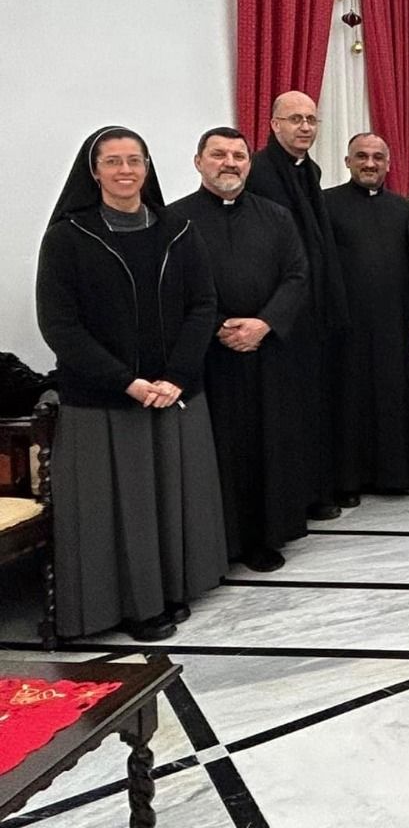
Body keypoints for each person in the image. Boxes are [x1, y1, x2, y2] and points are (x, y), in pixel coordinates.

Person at [36, 127, 227, 641]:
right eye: (113, 161)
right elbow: (60, 326)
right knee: (118, 510)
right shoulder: (68, 237)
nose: (125, 171)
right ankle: (127, 607)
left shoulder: (179, 231)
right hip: (103, 402)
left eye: (134, 161)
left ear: (148, 168)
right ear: (93, 171)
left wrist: (176, 377)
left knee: (168, 502)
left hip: (173, 394)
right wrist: (128, 382)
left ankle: (171, 590)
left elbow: (202, 305)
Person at [169, 128, 309, 572]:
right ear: (198, 162)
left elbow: (297, 275)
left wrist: (263, 323)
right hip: (205, 357)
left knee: (266, 445)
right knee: (215, 450)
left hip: (267, 354)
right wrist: (218, 327)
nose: (229, 163)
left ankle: (264, 538)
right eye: (219, 155)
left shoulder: (277, 216)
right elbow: (169, 290)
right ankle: (217, 543)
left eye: (238, 155)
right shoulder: (174, 221)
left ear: (249, 163)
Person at [244, 91, 347, 521]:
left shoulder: (309, 170)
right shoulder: (260, 172)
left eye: (311, 120)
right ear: (273, 125)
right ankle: (291, 503)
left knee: (315, 409)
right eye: (295, 119)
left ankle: (316, 491)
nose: (305, 127)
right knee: (286, 417)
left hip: (312, 314)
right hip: (281, 315)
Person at [325, 133, 409, 497]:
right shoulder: (327, 203)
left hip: (393, 322)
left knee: (394, 396)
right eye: (361, 156)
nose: (369, 163)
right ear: (347, 161)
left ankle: (396, 475)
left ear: (388, 164)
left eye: (378, 157)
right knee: (350, 401)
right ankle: (349, 480)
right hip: (346, 325)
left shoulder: (402, 207)